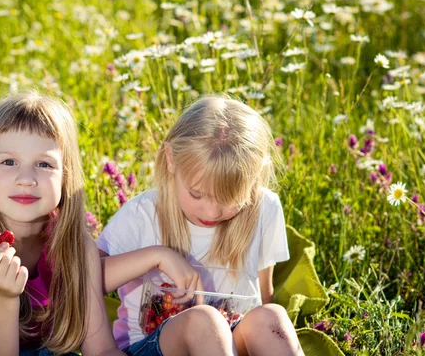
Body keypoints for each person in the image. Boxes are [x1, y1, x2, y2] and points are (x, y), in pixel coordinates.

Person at [0, 91, 124, 356]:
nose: (26, 179)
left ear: (66, 177)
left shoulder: (73, 241)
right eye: (9, 161)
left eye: (43, 163)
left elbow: (101, 350)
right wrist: (4, 297)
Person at [97, 95, 304, 356]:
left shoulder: (265, 208)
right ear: (171, 160)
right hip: (150, 346)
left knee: (271, 317)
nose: (211, 211)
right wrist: (157, 256)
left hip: (230, 344)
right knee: (205, 320)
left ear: (254, 180)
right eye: (196, 194)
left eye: (230, 199)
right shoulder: (144, 214)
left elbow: (265, 294)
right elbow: (85, 278)